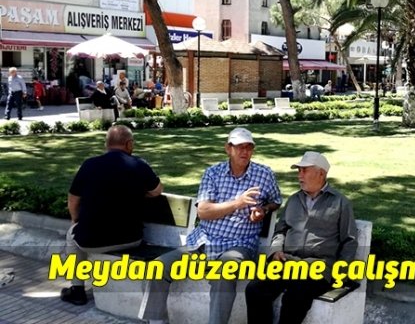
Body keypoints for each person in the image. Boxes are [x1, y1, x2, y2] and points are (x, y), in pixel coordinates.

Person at [139, 127, 282, 324]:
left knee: (224, 273)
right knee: (158, 267)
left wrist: (263, 210)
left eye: (249, 147)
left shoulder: (264, 174)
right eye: (239, 147)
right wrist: (237, 203)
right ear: (228, 149)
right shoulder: (213, 174)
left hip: (239, 245)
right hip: (203, 241)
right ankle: (157, 321)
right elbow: (204, 211)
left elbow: (276, 201)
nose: (245, 151)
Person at [245, 151, 358, 324]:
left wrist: (340, 273)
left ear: (321, 174)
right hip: (287, 262)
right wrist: (275, 251)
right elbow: (280, 231)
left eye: (304, 170)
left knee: (296, 294)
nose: (300, 175)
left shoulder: (340, 202)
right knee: (255, 289)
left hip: (318, 268)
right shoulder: (294, 200)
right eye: (299, 170)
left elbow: (349, 241)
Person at [60, 125, 163, 305]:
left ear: (106, 144)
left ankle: (77, 290)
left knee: (72, 236)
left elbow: (73, 200)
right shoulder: (139, 165)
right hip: (132, 238)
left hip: (91, 241)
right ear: (129, 144)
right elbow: (157, 191)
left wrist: (76, 221)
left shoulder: (89, 165)